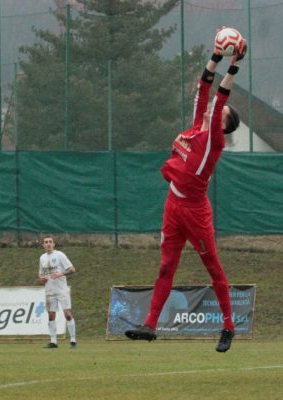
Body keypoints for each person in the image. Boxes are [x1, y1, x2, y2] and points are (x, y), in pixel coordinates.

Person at [124, 29, 247, 353]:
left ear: (224, 124)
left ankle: (228, 326)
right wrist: (216, 55)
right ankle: (150, 325)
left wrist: (234, 63)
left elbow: (220, 96)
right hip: (173, 205)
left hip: (195, 210)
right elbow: (204, 87)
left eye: (222, 113)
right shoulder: (196, 125)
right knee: (166, 266)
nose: (215, 109)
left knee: (213, 266)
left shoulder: (215, 141)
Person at [38, 235, 77, 349]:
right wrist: (41, 278)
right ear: (43, 245)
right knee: (51, 315)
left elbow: (72, 269)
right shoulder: (42, 258)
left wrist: (61, 273)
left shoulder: (60, 255)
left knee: (67, 315)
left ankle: (73, 340)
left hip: (62, 290)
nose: (48, 244)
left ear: (54, 244)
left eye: (50, 242)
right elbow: (40, 274)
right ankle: (53, 341)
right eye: (46, 242)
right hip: (49, 291)